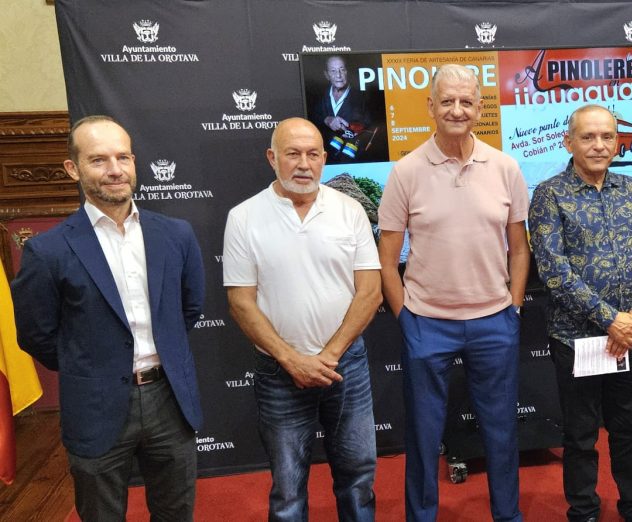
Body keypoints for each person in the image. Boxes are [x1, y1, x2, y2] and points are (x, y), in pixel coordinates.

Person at [11, 115, 205, 520]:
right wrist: (92, 368)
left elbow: (189, 308)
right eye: (99, 160)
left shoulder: (176, 234)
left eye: (124, 157)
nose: (115, 170)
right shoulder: (48, 251)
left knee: (176, 512)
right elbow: (36, 334)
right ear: (73, 169)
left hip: (169, 399)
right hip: (95, 405)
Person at [377, 64, 529, 522]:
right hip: (427, 324)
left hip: (494, 322)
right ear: (430, 107)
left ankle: (508, 515)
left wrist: (514, 309)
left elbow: (519, 250)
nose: (456, 110)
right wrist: (407, 318)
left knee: (501, 433)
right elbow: (385, 259)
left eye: (466, 101)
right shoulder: (405, 172)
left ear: (479, 108)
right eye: (447, 101)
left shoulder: (505, 167)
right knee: (423, 436)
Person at [223, 117, 381, 521]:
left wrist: (328, 356)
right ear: (272, 157)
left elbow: (371, 292)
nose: (304, 164)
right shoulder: (244, 217)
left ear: (325, 158)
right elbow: (241, 302)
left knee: (358, 477)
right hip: (280, 373)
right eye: (292, 153)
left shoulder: (350, 211)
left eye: (313, 154)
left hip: (346, 367)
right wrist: (292, 360)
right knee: (288, 489)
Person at [529, 104, 632, 522]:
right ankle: (584, 511)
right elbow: (554, 271)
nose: (599, 145)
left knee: (629, 431)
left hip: (631, 336)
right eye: (588, 137)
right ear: (568, 141)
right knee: (581, 435)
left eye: (607, 136)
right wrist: (611, 319)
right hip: (577, 339)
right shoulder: (550, 194)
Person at [310, 55, 371, 164]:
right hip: (322, 163)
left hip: (352, 162)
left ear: (347, 71)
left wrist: (356, 133)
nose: (338, 75)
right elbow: (310, 119)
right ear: (327, 75)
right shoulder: (318, 97)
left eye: (342, 70)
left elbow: (372, 128)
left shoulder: (363, 98)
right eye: (333, 71)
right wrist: (327, 120)